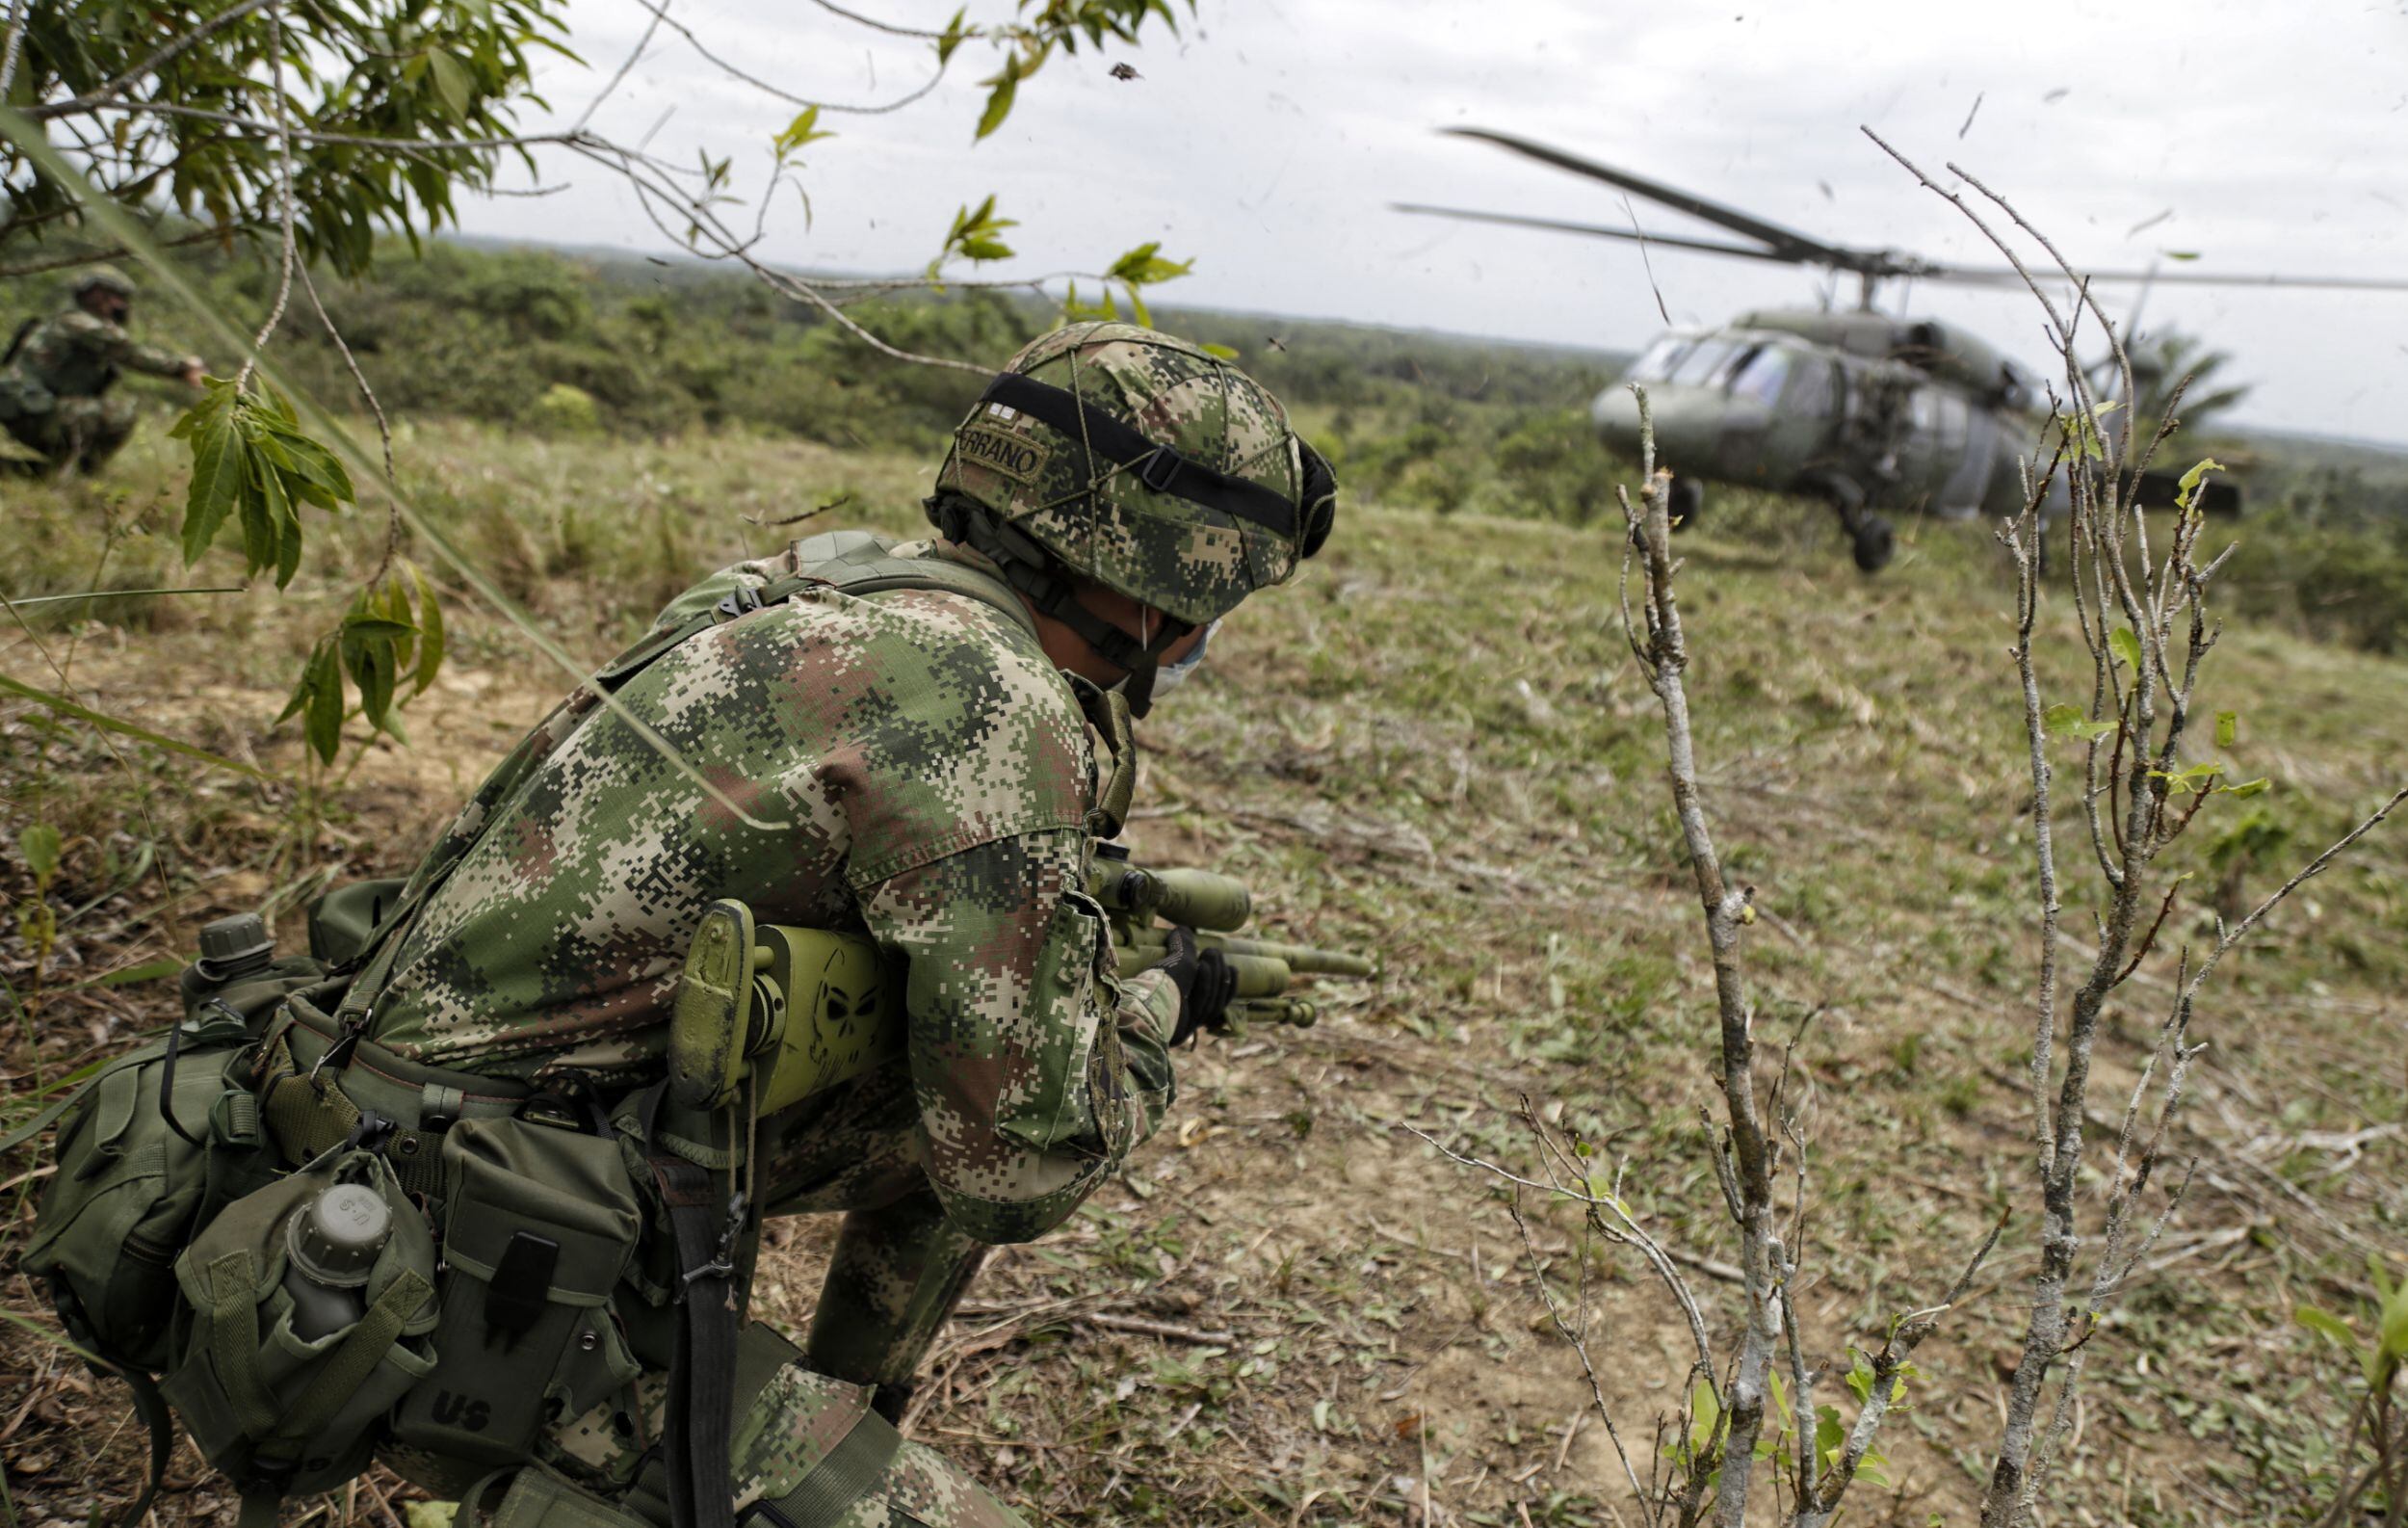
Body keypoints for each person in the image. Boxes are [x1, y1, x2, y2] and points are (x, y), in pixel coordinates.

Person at [335, 320, 1335, 1523]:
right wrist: (1159, 1009)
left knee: (934, 1091)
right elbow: (1024, 1164)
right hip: (463, 1258)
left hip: (385, 1127)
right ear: (1168, 582)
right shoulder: (996, 705)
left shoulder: (819, 579)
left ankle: (834, 1420)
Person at [0, 266, 204, 476]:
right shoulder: (81, 324)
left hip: (29, 409)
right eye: (115, 297)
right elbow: (131, 354)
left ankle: (41, 471)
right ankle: (75, 474)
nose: (120, 305)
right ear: (97, 294)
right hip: (33, 411)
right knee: (121, 413)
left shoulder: (66, 322)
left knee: (89, 411)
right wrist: (182, 368)